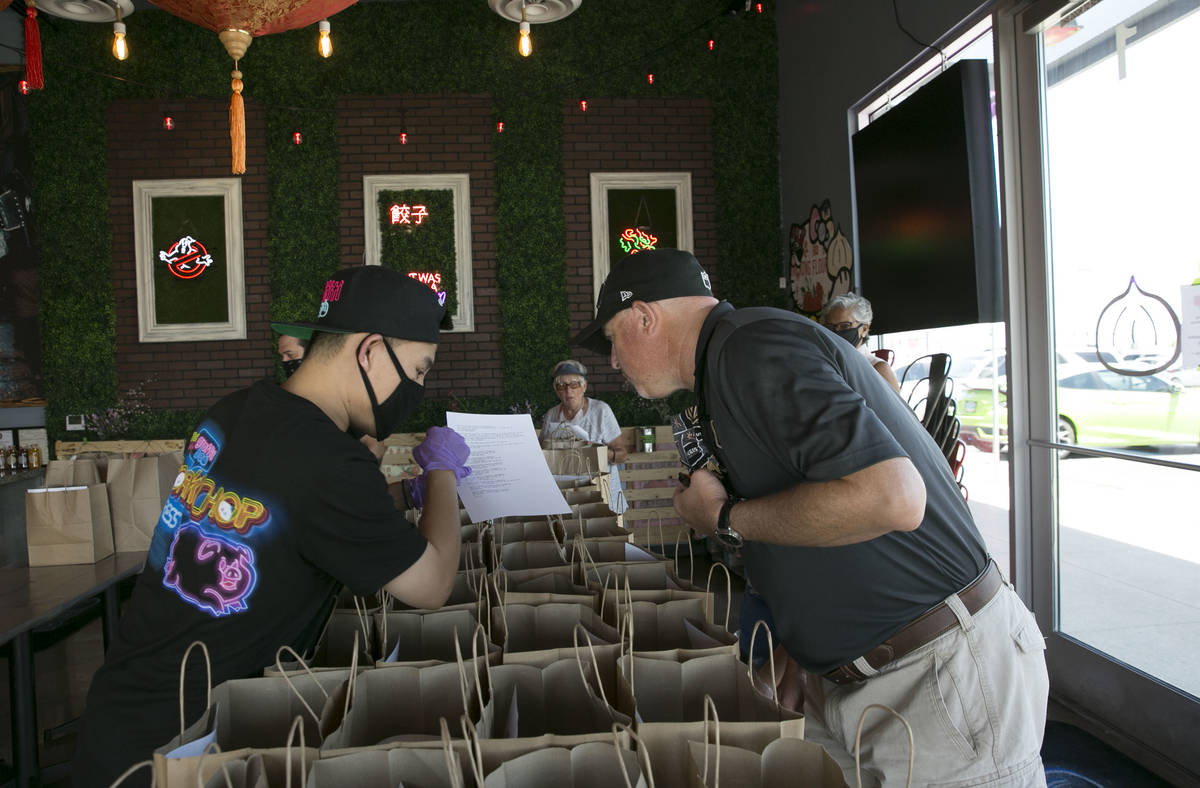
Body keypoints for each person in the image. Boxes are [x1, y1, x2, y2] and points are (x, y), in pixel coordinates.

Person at [574, 249, 1048, 787]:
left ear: (645, 316)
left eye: (613, 337)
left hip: (936, 677)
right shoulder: (731, 361)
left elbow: (892, 499)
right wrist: (802, 645)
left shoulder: (752, 349)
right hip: (866, 677)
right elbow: (817, 510)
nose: (612, 360)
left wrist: (722, 517)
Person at [71, 266, 471, 787]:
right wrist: (441, 474)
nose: (419, 386)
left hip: (122, 714)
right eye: (419, 370)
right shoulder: (327, 458)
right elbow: (433, 583)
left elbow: (290, 514)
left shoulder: (235, 411)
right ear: (369, 352)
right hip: (179, 752)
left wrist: (398, 495)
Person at [540, 359, 627, 465]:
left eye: (574, 384)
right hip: (564, 481)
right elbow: (541, 451)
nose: (568, 391)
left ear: (584, 386)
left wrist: (598, 451)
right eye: (562, 386)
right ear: (557, 391)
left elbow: (622, 456)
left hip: (598, 480)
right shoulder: (551, 415)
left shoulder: (600, 411)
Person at [821, 292, 901, 394]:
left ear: (864, 329)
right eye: (830, 327)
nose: (836, 332)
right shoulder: (828, 365)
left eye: (845, 326)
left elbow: (893, 409)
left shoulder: (878, 369)